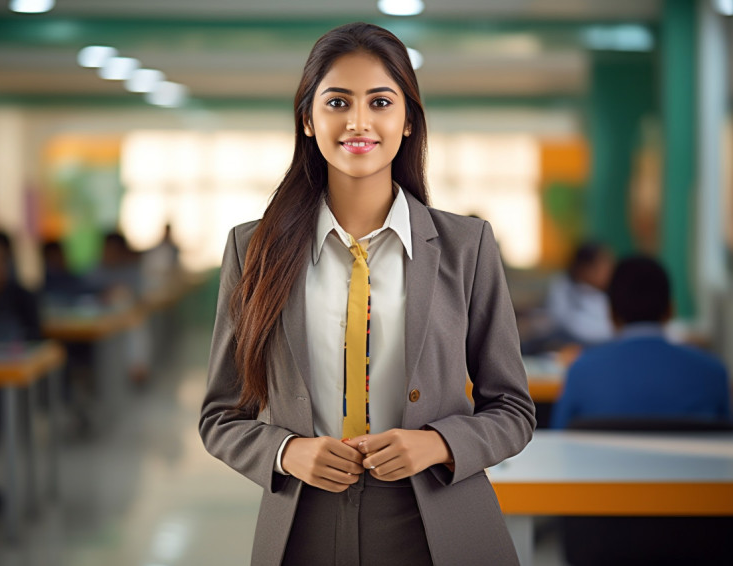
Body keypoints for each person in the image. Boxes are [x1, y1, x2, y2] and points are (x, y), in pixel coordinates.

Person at [199, 23, 535, 566]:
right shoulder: (252, 249)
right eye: (337, 102)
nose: (358, 122)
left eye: (380, 101)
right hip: (303, 525)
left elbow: (514, 409)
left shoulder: (467, 245)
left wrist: (439, 443)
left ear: (407, 122)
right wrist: (286, 452)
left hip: (438, 523)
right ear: (308, 121)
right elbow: (221, 416)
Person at [551, 255, 733, 429]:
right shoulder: (714, 374)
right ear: (671, 311)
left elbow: (559, 446)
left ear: (611, 314)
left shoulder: (581, 372)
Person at [544, 242, 615, 347]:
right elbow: (570, 325)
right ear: (585, 269)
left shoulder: (607, 296)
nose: (609, 270)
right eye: (603, 265)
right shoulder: (564, 289)